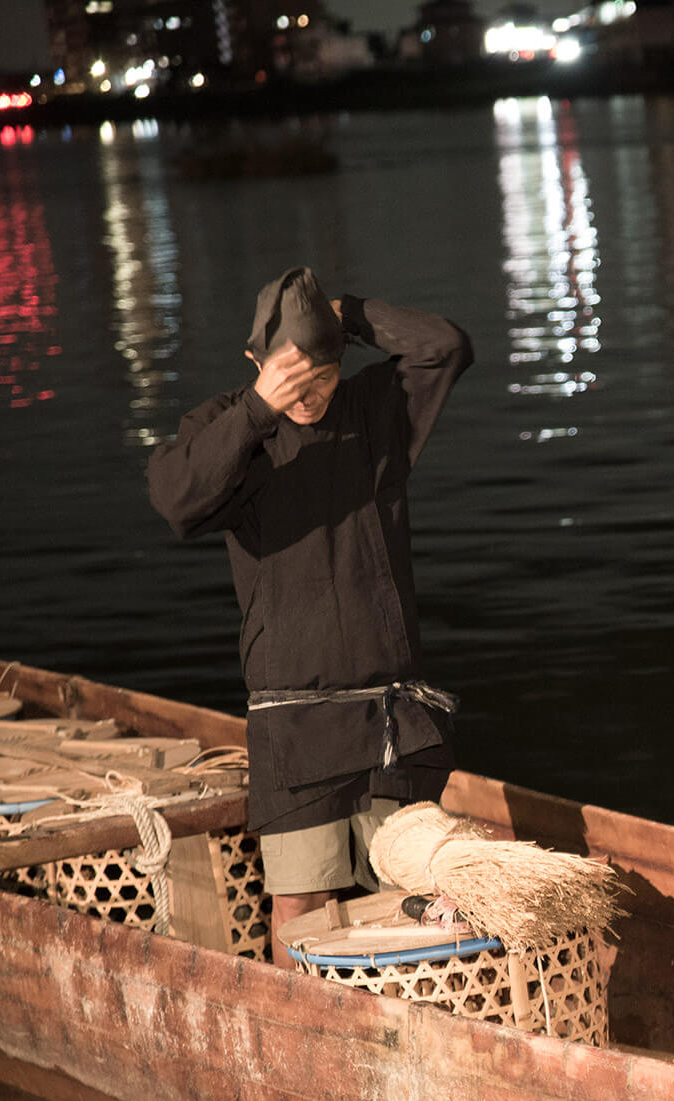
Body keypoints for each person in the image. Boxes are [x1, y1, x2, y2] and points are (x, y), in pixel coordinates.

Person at [147, 266, 474, 956]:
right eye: (289, 378)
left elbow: (444, 346)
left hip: (390, 716)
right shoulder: (233, 431)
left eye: (320, 375)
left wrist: (350, 313)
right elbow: (175, 498)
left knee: (404, 889)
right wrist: (260, 409)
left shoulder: (375, 411)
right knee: (301, 898)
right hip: (294, 721)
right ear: (255, 365)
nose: (309, 394)